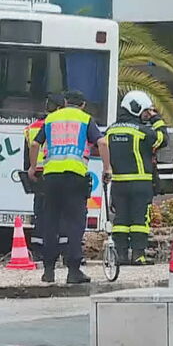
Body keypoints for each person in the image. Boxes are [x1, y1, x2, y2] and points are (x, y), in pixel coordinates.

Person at [27, 91, 111, 284]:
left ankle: (48, 271)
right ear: (82, 104)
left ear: (65, 102)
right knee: (74, 223)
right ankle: (73, 271)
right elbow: (102, 142)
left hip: (51, 177)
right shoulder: (85, 119)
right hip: (74, 177)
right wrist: (107, 168)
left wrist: (33, 167)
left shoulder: (51, 119)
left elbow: (34, 144)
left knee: (50, 221)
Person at [106, 91, 168, 265]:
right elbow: (163, 139)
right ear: (136, 108)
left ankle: (121, 256)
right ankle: (138, 256)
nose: (145, 115)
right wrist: (156, 119)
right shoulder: (142, 131)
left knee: (120, 220)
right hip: (140, 183)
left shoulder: (111, 130)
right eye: (145, 111)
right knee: (140, 220)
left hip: (118, 183)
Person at [24, 92, 66, 260]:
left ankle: (38, 251)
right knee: (62, 213)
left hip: (38, 175)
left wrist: (31, 169)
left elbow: (28, 153)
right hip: (55, 172)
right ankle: (62, 250)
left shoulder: (32, 127)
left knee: (40, 214)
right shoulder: (60, 125)